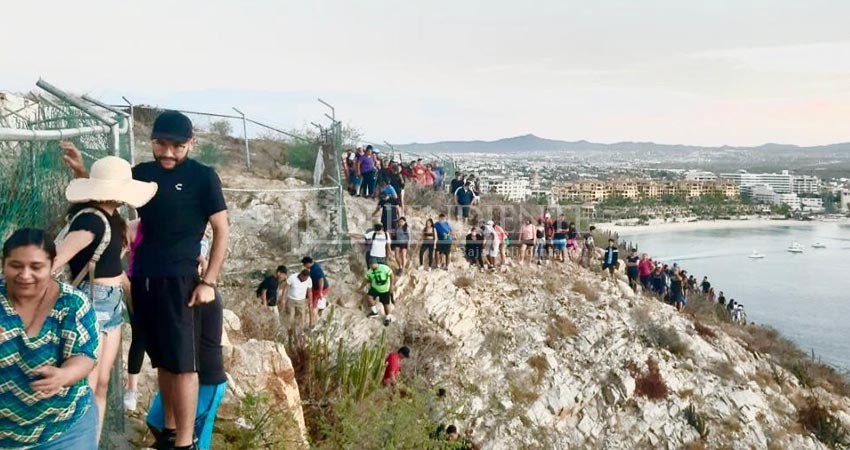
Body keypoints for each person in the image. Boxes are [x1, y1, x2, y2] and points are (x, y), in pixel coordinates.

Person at [64, 111, 230, 450]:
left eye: (177, 146)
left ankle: (183, 442)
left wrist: (208, 282)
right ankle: (168, 434)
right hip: (143, 279)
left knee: (184, 364)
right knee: (164, 360)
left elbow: (222, 229)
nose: (168, 153)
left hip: (181, 281)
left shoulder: (203, 177)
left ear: (191, 144)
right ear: (152, 141)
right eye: (161, 144)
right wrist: (82, 172)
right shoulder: (142, 174)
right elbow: (106, 199)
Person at [52, 155, 156, 441]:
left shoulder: (110, 216)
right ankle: (78, 442)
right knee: (87, 385)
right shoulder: (90, 220)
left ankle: (90, 442)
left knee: (102, 384)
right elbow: (59, 257)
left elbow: (111, 266)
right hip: (91, 303)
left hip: (109, 304)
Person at [0, 229, 100, 449]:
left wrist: (63, 375)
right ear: (3, 264)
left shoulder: (73, 304)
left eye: (36, 267)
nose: (25, 275)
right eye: (16, 266)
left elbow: (85, 357)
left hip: (64, 429)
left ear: (53, 264)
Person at [146, 286, 226, 450]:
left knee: (194, 441)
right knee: (156, 420)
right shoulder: (179, 291)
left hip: (206, 381)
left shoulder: (201, 294)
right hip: (179, 376)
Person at [361, 260, 395, 326]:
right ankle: (374, 312)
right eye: (370, 265)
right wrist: (361, 288)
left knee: (386, 304)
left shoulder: (384, 268)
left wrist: (391, 286)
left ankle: (388, 317)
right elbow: (366, 280)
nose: (371, 266)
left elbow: (391, 275)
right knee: (369, 297)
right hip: (375, 288)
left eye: (372, 264)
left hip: (385, 289)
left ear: (376, 263)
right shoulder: (370, 271)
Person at [281, 269, 312, 340]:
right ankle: (289, 332)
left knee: (301, 317)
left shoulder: (309, 279)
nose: (304, 280)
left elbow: (309, 291)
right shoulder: (292, 278)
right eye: (303, 279)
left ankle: (299, 333)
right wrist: (283, 298)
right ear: (301, 275)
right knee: (290, 317)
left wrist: (310, 301)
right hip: (291, 300)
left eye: (306, 279)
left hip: (301, 301)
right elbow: (285, 287)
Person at [301, 256, 329, 328]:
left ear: (308, 263)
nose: (304, 266)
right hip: (317, 287)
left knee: (313, 305)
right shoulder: (314, 265)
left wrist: (320, 292)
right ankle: (322, 305)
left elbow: (321, 280)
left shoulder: (315, 270)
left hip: (320, 288)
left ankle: (313, 322)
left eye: (304, 265)